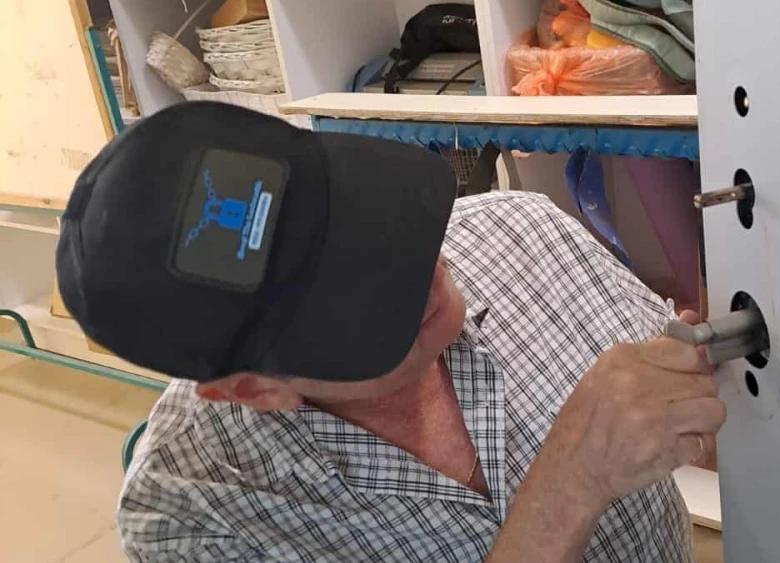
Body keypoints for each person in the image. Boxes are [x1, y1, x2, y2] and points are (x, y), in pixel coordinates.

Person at [57, 103, 725, 563]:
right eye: (360, 297)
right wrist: (566, 490)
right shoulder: (194, 519)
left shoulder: (523, 234)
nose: (425, 271)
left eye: (366, 216)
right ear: (253, 388)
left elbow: (721, 409)